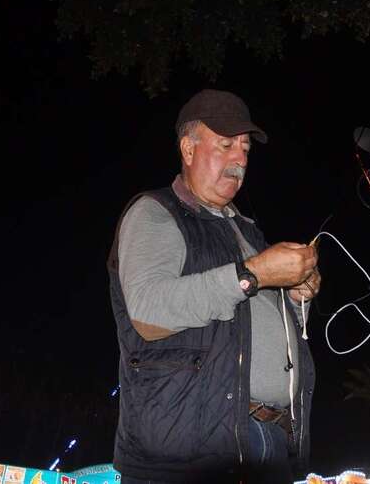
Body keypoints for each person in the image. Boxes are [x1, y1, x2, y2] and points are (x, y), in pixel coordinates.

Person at [107, 89, 321, 483]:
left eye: (245, 149)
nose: (240, 159)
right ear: (188, 149)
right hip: (190, 455)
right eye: (226, 145)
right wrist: (254, 274)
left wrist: (293, 297)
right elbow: (148, 313)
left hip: (269, 445)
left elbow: (245, 319)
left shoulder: (247, 232)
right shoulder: (156, 212)